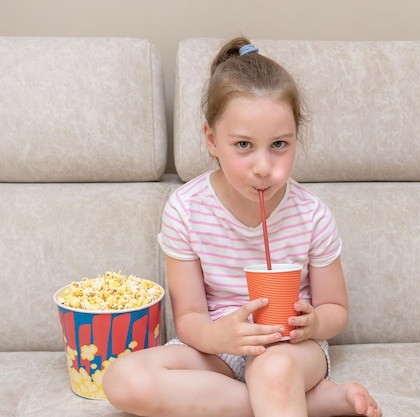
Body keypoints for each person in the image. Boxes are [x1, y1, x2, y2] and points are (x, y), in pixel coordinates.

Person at [102, 36, 382, 417]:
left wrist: (314, 322)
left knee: (273, 369)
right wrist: (220, 336)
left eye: (279, 144)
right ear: (212, 140)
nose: (263, 167)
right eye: (244, 145)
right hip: (218, 347)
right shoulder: (186, 210)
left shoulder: (312, 215)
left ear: (296, 138)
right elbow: (189, 318)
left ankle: (283, 393)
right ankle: (310, 404)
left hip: (291, 351)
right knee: (123, 379)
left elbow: (335, 308)